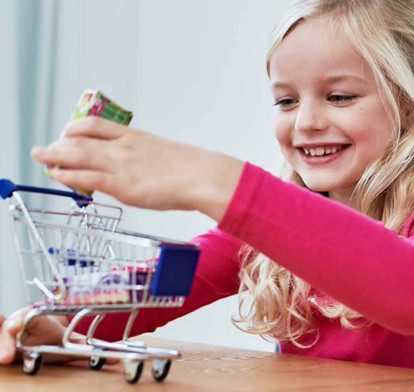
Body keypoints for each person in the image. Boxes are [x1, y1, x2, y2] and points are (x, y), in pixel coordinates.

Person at [1, 0, 414, 369]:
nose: (306, 123)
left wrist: (214, 179)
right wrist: (55, 321)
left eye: (339, 97)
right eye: (286, 101)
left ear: (407, 105)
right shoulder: (268, 234)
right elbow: (163, 280)